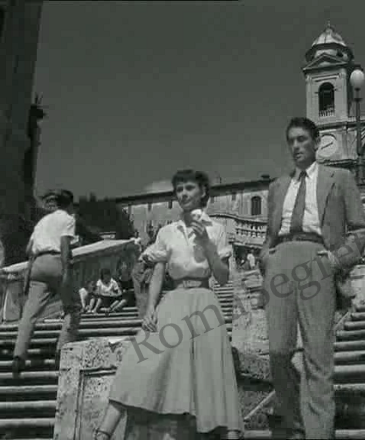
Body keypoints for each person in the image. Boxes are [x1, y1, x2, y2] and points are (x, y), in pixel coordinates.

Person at [95, 169, 242, 440]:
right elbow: (159, 271)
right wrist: (150, 308)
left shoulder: (217, 230)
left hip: (203, 301)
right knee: (140, 357)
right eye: (179, 190)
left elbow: (221, 277)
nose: (183, 194)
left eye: (189, 188)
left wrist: (207, 243)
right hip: (172, 300)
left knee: (210, 370)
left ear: (203, 193)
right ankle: (104, 432)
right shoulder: (167, 231)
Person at [259, 117, 365, 439]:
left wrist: (337, 259)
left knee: (317, 352)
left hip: (318, 259)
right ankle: (295, 418)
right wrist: (266, 256)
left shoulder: (340, 178)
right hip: (280, 261)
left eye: (302, 139)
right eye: (291, 140)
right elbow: (269, 234)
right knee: (278, 351)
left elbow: (360, 230)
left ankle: (319, 431)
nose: (296, 146)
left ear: (316, 142)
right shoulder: (278, 186)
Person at [12, 189, 81, 378]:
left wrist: (28, 275)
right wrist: (66, 271)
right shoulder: (67, 219)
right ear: (68, 204)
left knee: (30, 313)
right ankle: (61, 352)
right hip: (56, 261)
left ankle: (19, 355)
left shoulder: (42, 222)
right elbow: (64, 244)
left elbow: (29, 249)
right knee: (73, 308)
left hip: (37, 265)